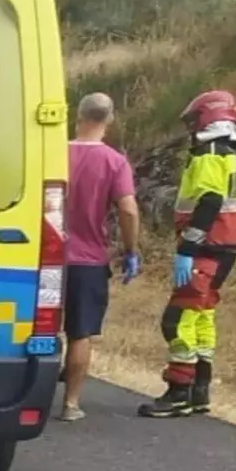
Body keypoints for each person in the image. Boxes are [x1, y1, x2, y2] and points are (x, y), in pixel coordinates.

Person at [139, 90, 236, 419]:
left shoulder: (208, 155)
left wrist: (187, 248)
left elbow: (209, 201)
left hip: (205, 248)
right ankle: (200, 391)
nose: (190, 128)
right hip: (224, 246)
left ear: (206, 117)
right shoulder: (229, 154)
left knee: (178, 319)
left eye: (193, 121)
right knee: (201, 315)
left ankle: (178, 392)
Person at [60, 92, 141, 422]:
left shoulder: (54, 153)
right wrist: (130, 250)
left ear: (77, 116)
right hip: (88, 260)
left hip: (43, 256)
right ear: (109, 120)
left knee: (38, 328)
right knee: (80, 333)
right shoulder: (114, 161)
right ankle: (70, 404)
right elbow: (128, 209)